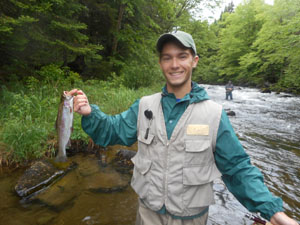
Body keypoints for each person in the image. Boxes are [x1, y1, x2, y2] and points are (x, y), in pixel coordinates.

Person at [68, 31, 298, 225]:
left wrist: (273, 212)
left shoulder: (215, 115)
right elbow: (112, 131)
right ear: (160, 63)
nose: (175, 64)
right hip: (147, 216)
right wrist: (91, 113)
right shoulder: (144, 106)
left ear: (194, 61)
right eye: (167, 58)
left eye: (182, 56)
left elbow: (237, 169)